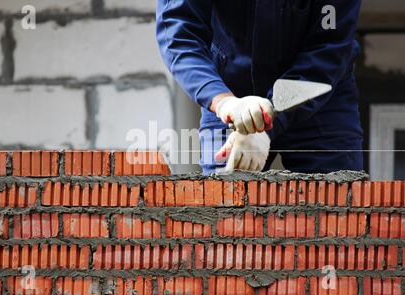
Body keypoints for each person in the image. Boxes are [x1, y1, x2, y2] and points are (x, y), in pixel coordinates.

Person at [156, 0, 364, 175]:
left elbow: (328, 49)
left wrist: (267, 118)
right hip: (231, 97)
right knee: (226, 205)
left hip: (318, 98)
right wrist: (223, 102)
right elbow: (179, 34)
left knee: (334, 202)